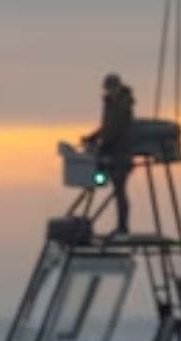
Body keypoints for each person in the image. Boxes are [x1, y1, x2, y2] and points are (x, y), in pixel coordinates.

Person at [81, 72, 135, 237]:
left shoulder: (122, 105)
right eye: (108, 89)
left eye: (112, 88)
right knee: (106, 182)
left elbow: (115, 129)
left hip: (121, 154)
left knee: (119, 190)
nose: (109, 91)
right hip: (112, 153)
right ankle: (121, 226)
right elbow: (106, 127)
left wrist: (102, 144)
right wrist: (93, 137)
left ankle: (123, 227)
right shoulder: (111, 104)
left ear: (118, 87)